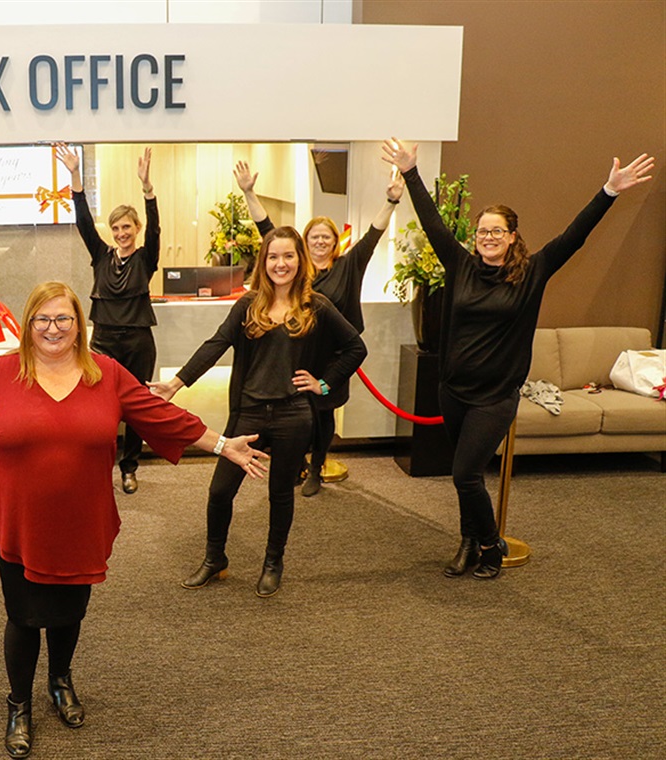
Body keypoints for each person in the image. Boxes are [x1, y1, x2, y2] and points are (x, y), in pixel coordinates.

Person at [0, 281, 267, 759]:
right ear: (28, 326)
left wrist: (221, 443)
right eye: (42, 319)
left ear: (78, 326)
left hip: (81, 520)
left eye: (63, 319)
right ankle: (19, 704)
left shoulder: (105, 373)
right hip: (18, 521)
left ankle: (61, 681)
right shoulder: (2, 373)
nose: (52, 328)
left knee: (70, 612)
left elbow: (159, 415)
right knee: (25, 618)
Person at [381, 138, 654, 580]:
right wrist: (411, 172)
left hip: (495, 396)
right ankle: (468, 543)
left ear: (512, 237)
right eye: (482, 231)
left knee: (464, 474)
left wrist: (609, 191)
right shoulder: (461, 265)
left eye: (497, 231)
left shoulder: (533, 272)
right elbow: (431, 222)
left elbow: (575, 237)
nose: (487, 237)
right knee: (465, 477)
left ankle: (490, 544)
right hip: (453, 390)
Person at [150, 226, 367, 598]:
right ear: (263, 261)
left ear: (299, 261)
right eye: (273, 256)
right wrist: (176, 383)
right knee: (220, 491)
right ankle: (215, 557)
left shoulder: (316, 305)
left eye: (288, 256)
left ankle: (273, 561)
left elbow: (355, 348)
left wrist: (324, 383)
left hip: (293, 415)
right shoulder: (248, 305)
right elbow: (215, 344)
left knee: (280, 494)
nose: (280, 264)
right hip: (248, 413)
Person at [235, 159, 404, 497]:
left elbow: (373, 234)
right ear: (304, 242)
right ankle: (296, 461)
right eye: (314, 237)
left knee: (324, 412)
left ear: (335, 241)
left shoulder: (348, 265)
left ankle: (317, 467)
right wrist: (249, 193)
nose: (320, 241)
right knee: (298, 413)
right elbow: (267, 230)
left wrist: (392, 201)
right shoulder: (295, 271)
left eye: (326, 236)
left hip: (334, 359)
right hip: (300, 353)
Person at [54, 143, 159, 495]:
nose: (121, 233)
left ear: (136, 228)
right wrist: (74, 176)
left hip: (138, 341)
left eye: (127, 227)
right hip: (103, 341)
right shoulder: (101, 255)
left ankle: (129, 468)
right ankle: (98, 464)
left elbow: (156, 229)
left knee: (136, 407)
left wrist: (147, 188)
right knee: (97, 406)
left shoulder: (146, 258)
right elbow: (83, 221)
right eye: (116, 228)